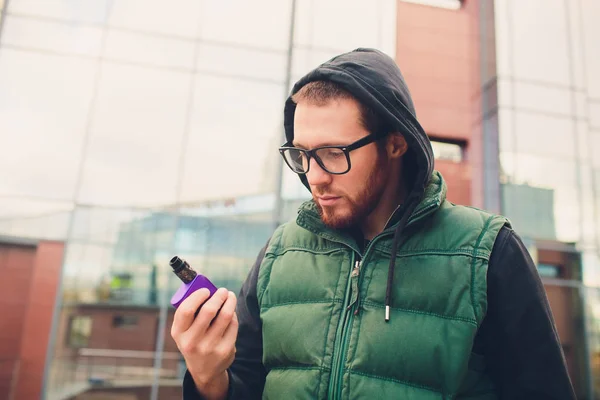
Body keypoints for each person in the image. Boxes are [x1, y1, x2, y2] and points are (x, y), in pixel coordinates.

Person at [171, 48, 576, 399]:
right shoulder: (280, 252)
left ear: (395, 142)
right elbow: (244, 386)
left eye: (332, 152)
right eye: (301, 154)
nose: (314, 176)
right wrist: (208, 379)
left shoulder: (488, 253)